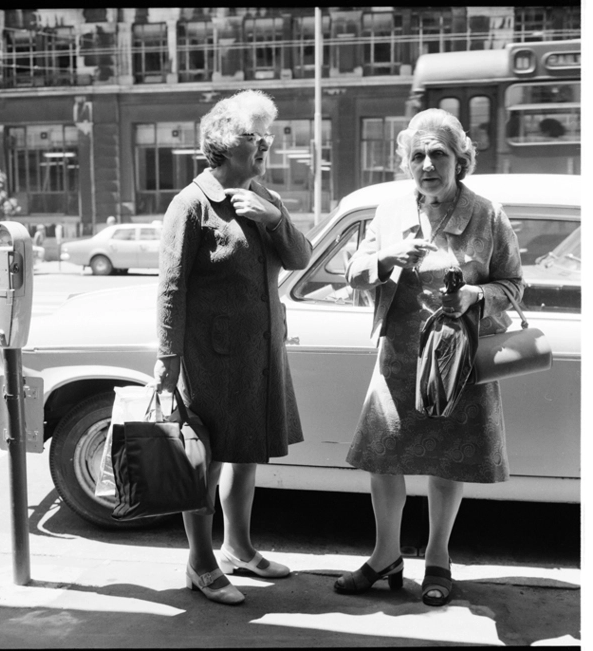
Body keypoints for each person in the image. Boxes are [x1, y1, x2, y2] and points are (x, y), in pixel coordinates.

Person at [335, 108, 524, 606]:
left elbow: (514, 284)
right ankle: (384, 556)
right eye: (416, 155)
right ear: (406, 163)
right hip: (399, 358)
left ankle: (438, 559)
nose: (426, 164)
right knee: (383, 459)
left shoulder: (487, 215)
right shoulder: (389, 212)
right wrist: (383, 259)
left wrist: (476, 296)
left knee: (447, 462)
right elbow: (354, 273)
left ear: (461, 159)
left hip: (458, 363)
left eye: (438, 153)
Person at [153, 90, 312, 606]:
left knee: (248, 454)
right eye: (254, 137)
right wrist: (166, 365)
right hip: (211, 359)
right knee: (206, 460)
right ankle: (200, 563)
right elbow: (171, 290)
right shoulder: (191, 204)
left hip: (261, 353)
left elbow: (299, 257)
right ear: (223, 143)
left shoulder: (264, 197)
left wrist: (272, 218)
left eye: (268, 136)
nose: (265, 145)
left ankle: (238, 548)